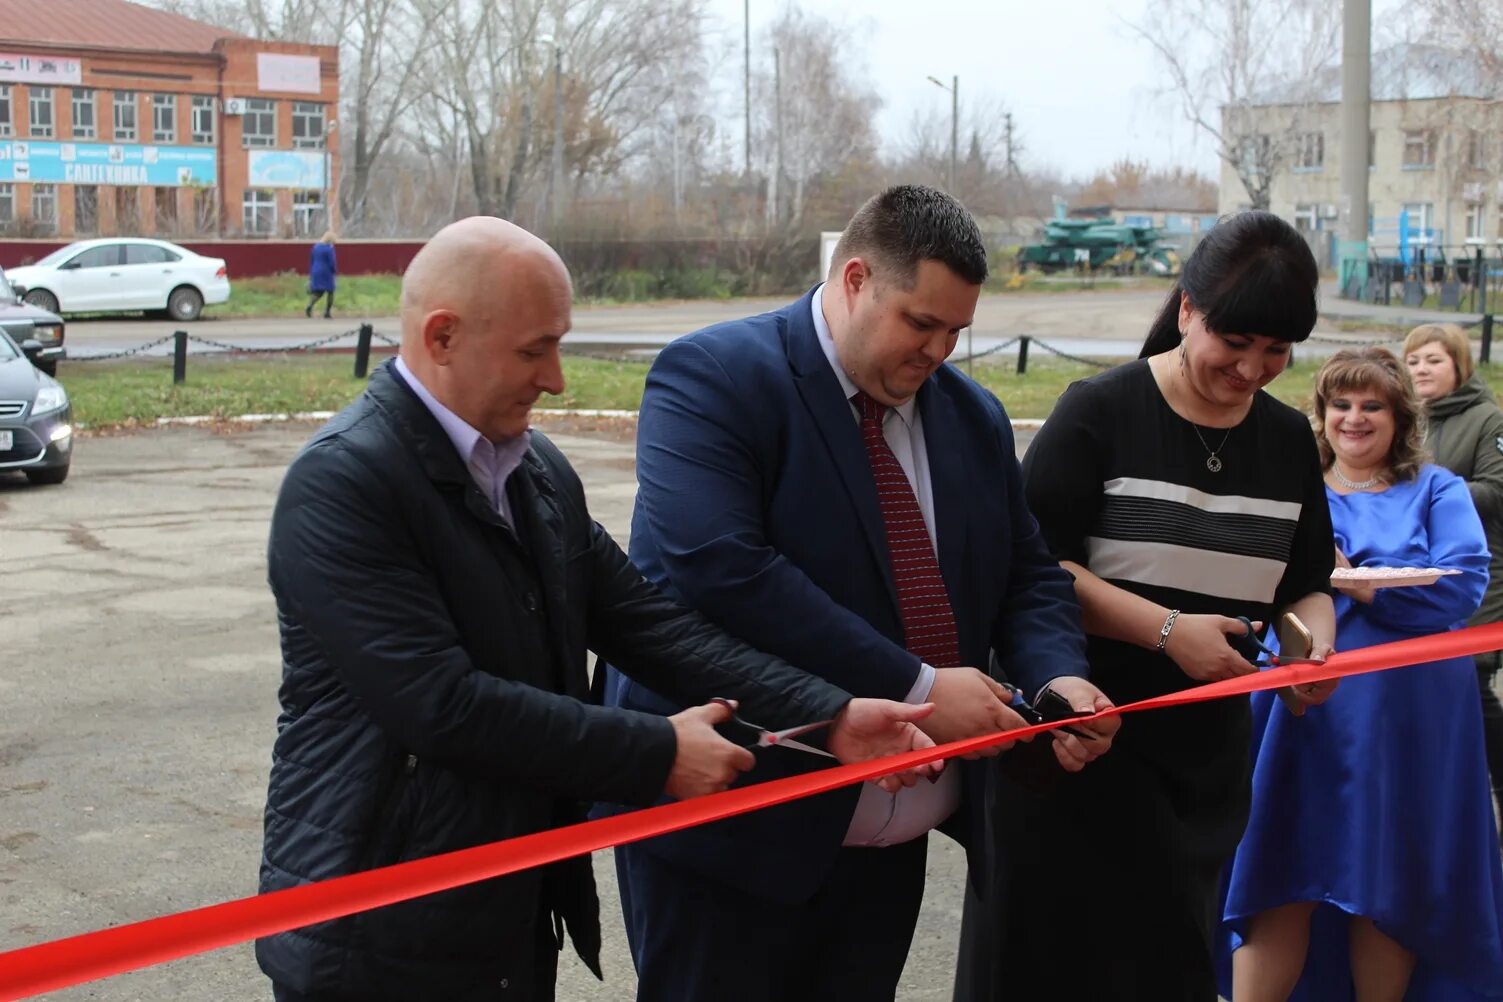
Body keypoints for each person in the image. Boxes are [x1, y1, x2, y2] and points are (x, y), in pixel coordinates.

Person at [255, 216, 940, 1002]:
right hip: (378, 919)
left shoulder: (532, 469)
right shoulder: (345, 484)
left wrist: (831, 712)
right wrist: (654, 754)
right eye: (532, 349)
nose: (555, 378)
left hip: (506, 899)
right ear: (441, 337)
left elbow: (650, 625)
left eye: (559, 344)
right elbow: (438, 706)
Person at [600, 184, 1119, 1001]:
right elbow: (722, 568)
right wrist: (916, 688)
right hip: (738, 836)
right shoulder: (715, 377)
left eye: (956, 330)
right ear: (853, 280)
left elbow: (1026, 573)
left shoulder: (972, 419)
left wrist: (1056, 676)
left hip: (888, 848)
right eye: (920, 322)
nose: (937, 351)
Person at [956, 210, 1340, 1001]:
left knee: (1171, 961)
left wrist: (1315, 649)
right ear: (1188, 310)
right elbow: (1031, 568)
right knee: (1052, 966)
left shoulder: (1286, 440)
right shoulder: (1099, 410)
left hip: (1202, 755)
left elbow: (1306, 580)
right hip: (1081, 734)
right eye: (1234, 344)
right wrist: (1167, 632)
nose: (1252, 369)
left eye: (1275, 352)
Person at [1221, 347, 1503, 1001]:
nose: (1354, 418)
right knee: (1276, 869)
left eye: (1371, 404)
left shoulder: (1437, 489)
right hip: (1297, 709)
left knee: (1388, 877)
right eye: (1340, 404)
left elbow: (1460, 587)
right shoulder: (1290, 487)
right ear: (1320, 415)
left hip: (1409, 715)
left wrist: (1356, 581)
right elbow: (1245, 583)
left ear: (1399, 416)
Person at [1404, 322, 1503, 827]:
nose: (1421, 369)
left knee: (1475, 692)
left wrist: (1433, 492)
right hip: (1410, 581)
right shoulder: (1405, 419)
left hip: (1475, 579)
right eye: (1414, 360)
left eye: (1434, 360)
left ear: (1459, 367)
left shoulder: (1486, 419)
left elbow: (1497, 490)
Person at [305, 230, 337, 318]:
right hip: (326, 272)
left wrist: (311, 272)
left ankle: (310, 305)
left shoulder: (316, 247)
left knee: (319, 292)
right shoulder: (329, 248)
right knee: (331, 291)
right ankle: (327, 312)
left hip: (315, 270)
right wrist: (334, 271)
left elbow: (311, 260)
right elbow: (332, 262)